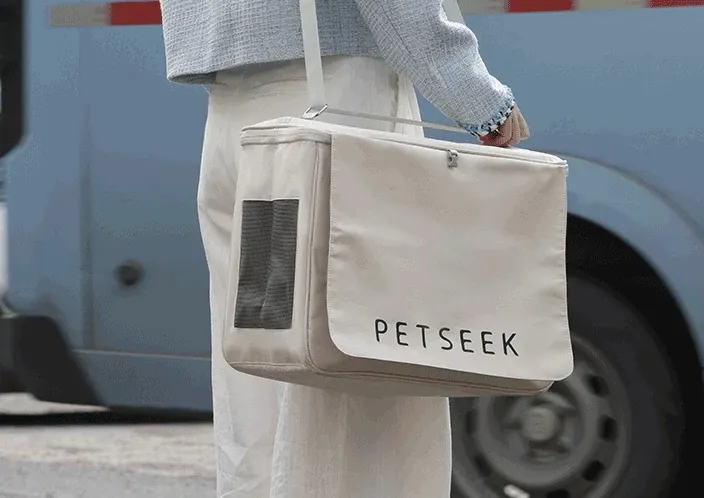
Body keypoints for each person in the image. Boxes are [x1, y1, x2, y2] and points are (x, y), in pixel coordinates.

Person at [158, 0, 530, 497]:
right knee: (354, 371)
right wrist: (478, 98)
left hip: (232, 119)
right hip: (336, 100)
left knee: (257, 371)